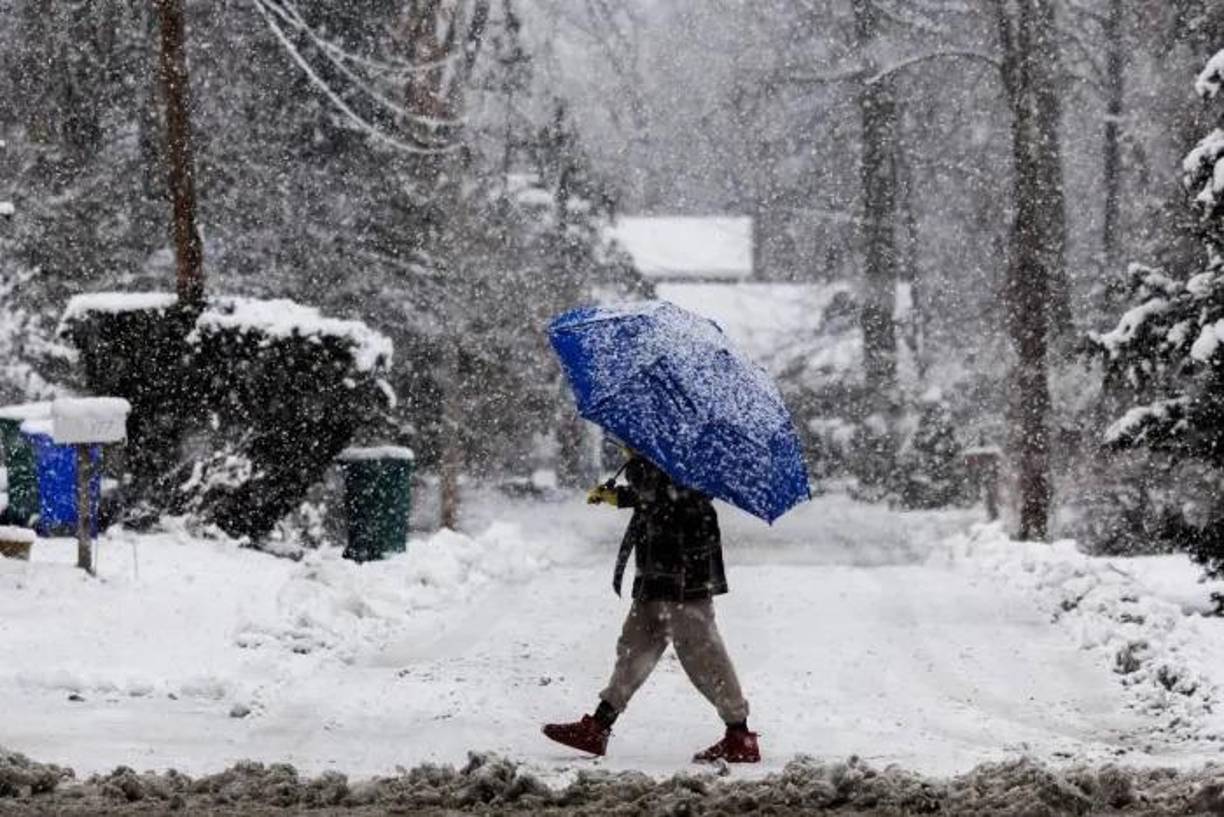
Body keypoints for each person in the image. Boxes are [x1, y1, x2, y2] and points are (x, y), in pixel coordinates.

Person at [541, 452, 759, 763]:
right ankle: (599, 725)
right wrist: (623, 490)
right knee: (636, 642)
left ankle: (739, 734)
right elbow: (658, 492)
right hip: (659, 555)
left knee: (700, 647)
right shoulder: (661, 442)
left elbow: (675, 493)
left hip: (684, 556)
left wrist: (634, 475)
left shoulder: (681, 445)